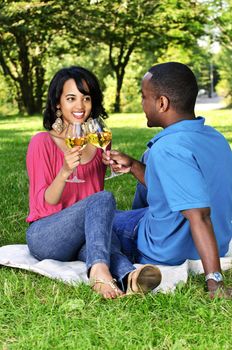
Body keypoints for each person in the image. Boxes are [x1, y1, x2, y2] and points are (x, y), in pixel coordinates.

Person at [26, 66, 162, 299]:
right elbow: (45, 204)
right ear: (58, 103)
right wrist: (65, 171)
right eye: (71, 98)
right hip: (47, 235)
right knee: (103, 199)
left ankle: (129, 278)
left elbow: (96, 217)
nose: (80, 106)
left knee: (101, 236)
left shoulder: (99, 144)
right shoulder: (42, 142)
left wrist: (115, 164)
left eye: (86, 98)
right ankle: (99, 271)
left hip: (85, 234)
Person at [103, 62, 232, 298]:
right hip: (217, 242)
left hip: (164, 249)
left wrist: (215, 280)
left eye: (144, 97)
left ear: (161, 103)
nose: (142, 103)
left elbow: (199, 214)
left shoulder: (168, 149)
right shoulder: (215, 138)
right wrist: (133, 166)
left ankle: (119, 272)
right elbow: (181, 187)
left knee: (96, 221)